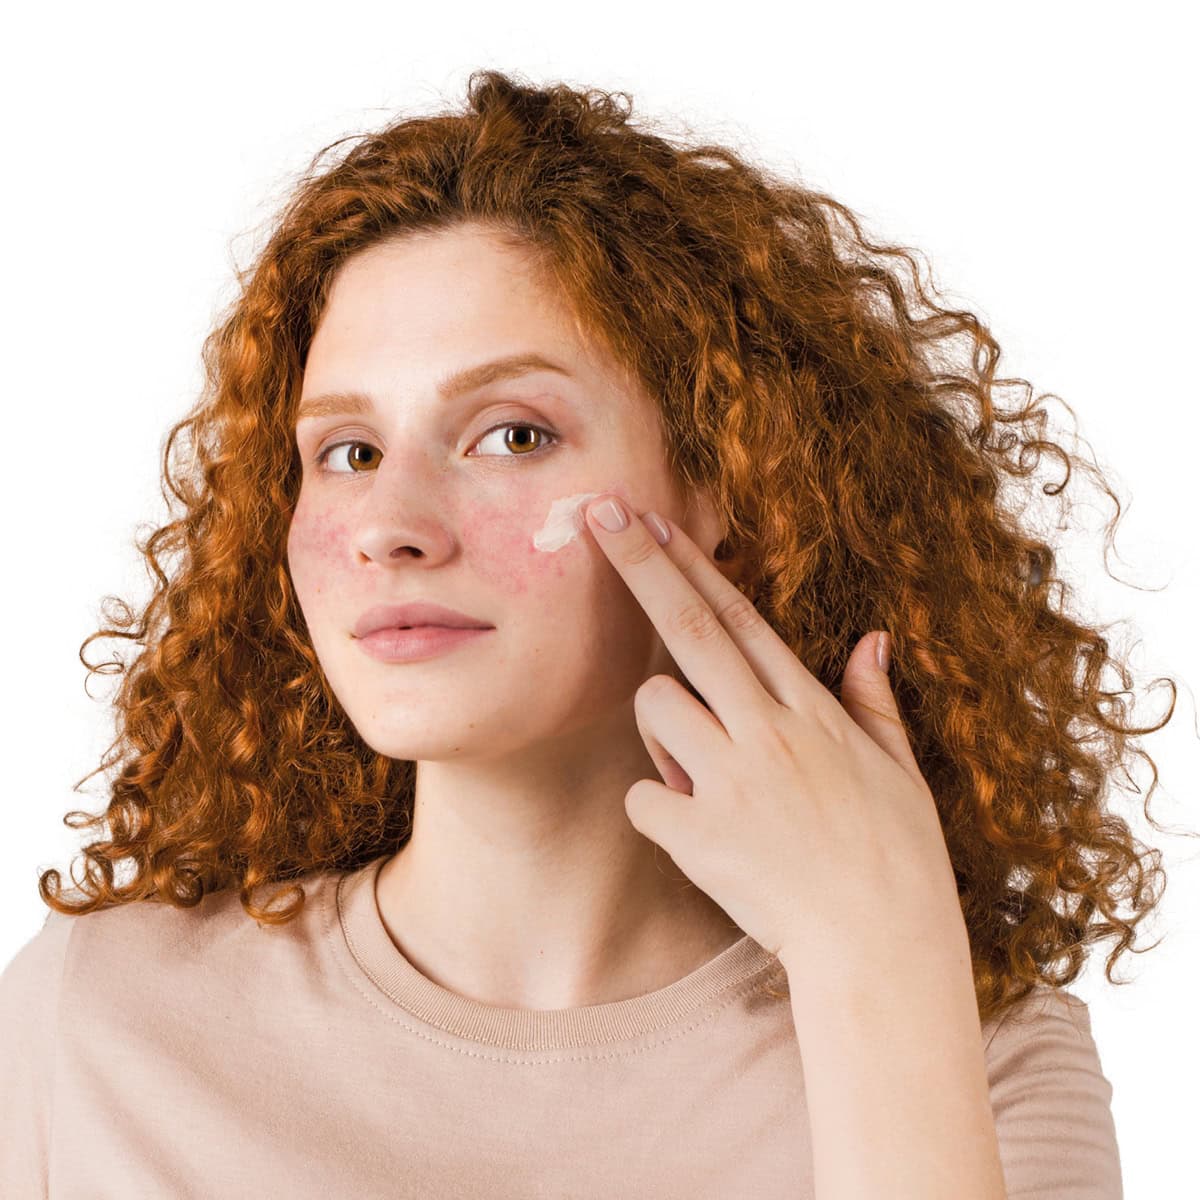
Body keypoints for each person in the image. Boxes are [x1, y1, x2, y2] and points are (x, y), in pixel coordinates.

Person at [3, 68, 1161, 1197]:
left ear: (736, 495)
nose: (390, 527)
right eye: (349, 453)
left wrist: (873, 955)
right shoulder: (97, 1021)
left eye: (513, 435)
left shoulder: (981, 1055)